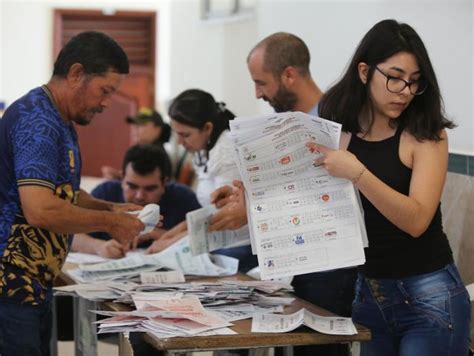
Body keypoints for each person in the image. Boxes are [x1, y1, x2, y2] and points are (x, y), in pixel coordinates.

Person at [309, 19, 470, 355]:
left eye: (414, 82)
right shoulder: (336, 130)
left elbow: (416, 220)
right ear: (365, 72)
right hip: (369, 294)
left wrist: (359, 174)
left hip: (430, 296)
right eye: (395, 78)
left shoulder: (426, 133)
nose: (405, 92)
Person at [211, 32, 357, 356]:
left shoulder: (335, 122)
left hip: (331, 269)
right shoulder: (279, 124)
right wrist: (243, 196)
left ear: (289, 75)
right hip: (293, 265)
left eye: (261, 83)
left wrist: (250, 211)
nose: (257, 93)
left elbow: (325, 199)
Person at [0, 31, 146, 356]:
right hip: (9, 285)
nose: (108, 103)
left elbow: (62, 192)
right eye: (105, 90)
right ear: (77, 73)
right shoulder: (37, 122)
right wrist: (109, 223)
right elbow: (40, 208)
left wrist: (112, 208)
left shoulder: (59, 119)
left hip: (33, 284)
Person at [146, 89, 258, 273]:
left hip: (239, 247)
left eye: (185, 135)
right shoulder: (204, 148)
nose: (180, 142)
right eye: (177, 134)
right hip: (221, 243)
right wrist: (170, 236)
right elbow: (209, 210)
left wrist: (173, 242)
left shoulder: (227, 150)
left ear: (207, 128)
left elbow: (224, 213)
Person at [72, 143, 201, 258]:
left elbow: (205, 235)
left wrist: (156, 234)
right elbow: (70, 232)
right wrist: (98, 246)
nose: (139, 196)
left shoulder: (183, 197)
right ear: (122, 178)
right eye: (132, 186)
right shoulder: (105, 193)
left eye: (150, 188)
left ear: (164, 183)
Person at [101, 107, 173, 180]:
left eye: (142, 124)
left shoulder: (155, 155)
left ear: (158, 129)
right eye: (135, 125)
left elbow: (145, 186)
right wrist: (119, 176)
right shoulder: (144, 151)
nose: (135, 128)